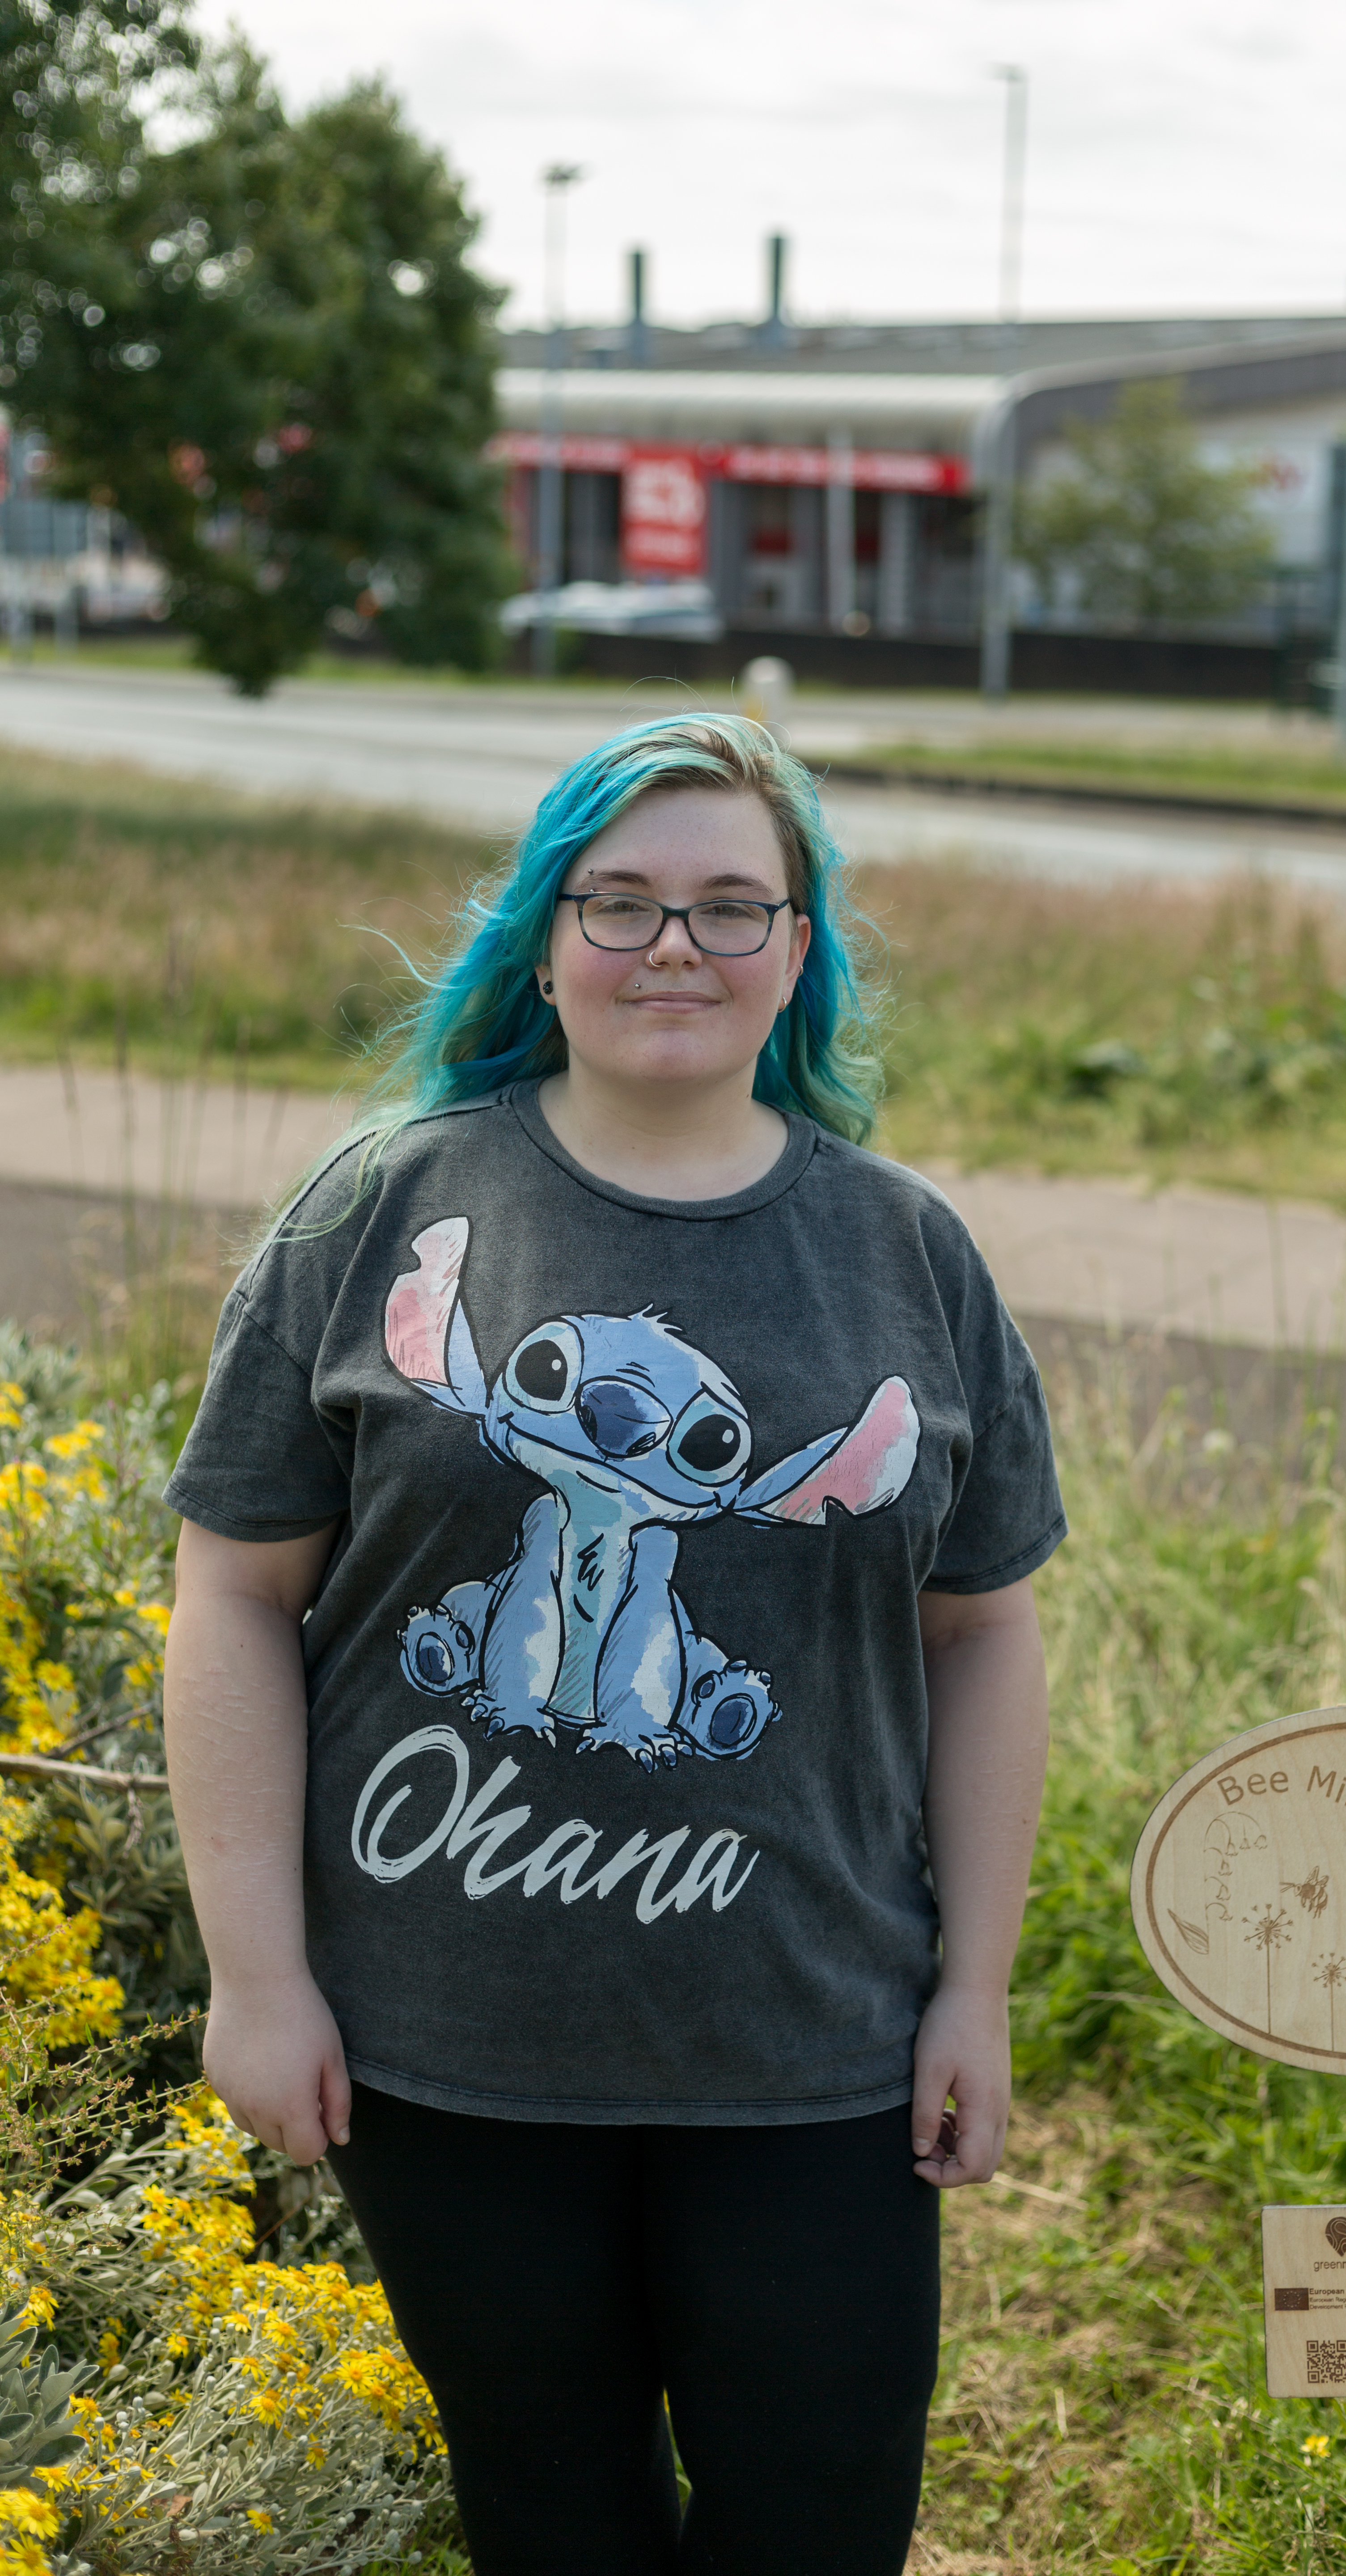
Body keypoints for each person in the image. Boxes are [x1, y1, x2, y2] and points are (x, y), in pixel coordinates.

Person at [162, 713, 1063, 2576]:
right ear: (545, 933)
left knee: (814, 2531)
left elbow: (984, 1635)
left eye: (736, 907)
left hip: (816, 2051)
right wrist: (260, 1979)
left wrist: (973, 1985)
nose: (678, 948)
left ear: (800, 949)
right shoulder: (382, 1212)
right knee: (552, 2521)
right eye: (627, 902)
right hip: (449, 2050)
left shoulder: (907, 1255)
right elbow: (234, 1599)